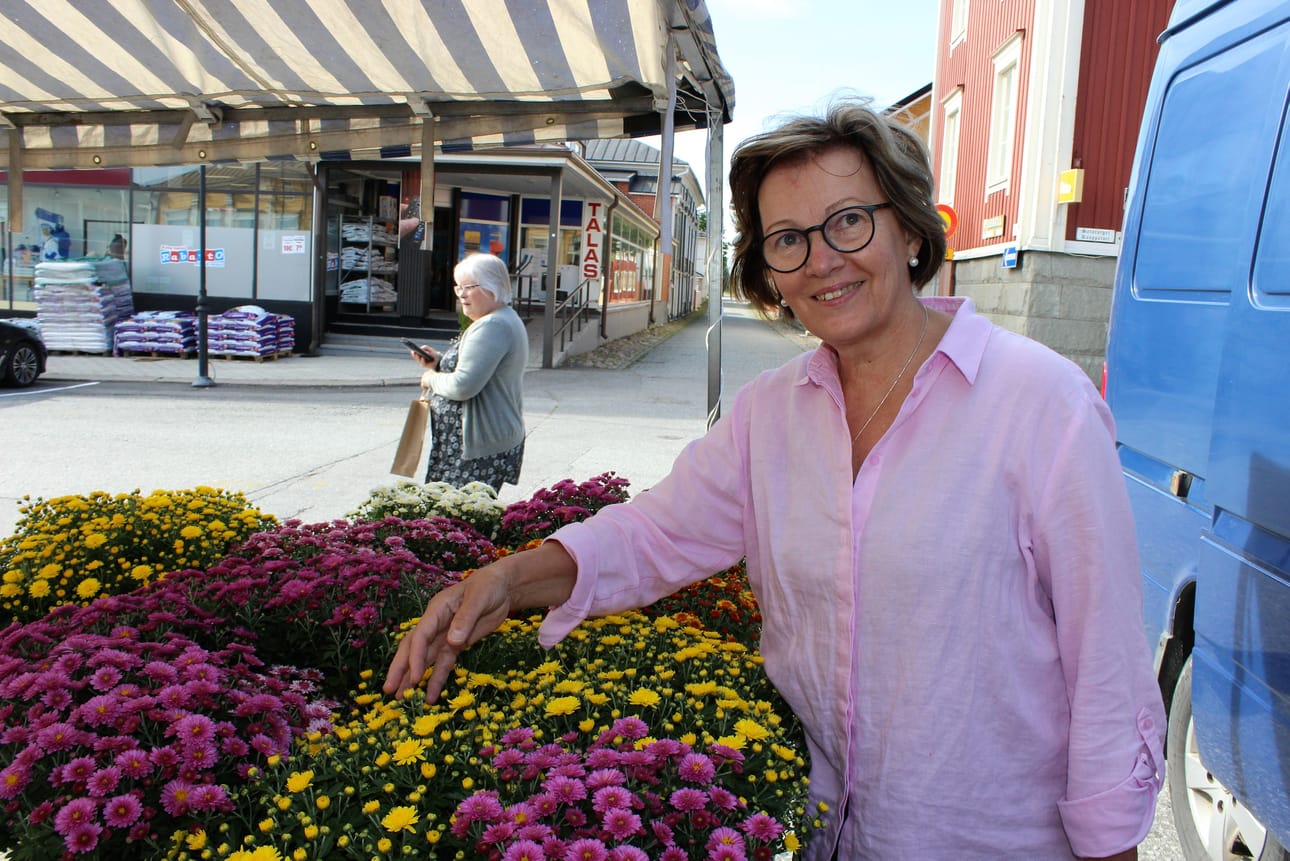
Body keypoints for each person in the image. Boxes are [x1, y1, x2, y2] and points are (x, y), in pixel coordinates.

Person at [384, 101, 1164, 861]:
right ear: (767, 270)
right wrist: (503, 580)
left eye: (849, 220)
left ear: (907, 226)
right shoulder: (771, 414)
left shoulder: (1041, 403)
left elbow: (1108, 670)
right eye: (788, 239)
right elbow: (652, 533)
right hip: (827, 833)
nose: (822, 258)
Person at [407, 252, 527, 491]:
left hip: (477, 447)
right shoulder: (499, 319)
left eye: (468, 287)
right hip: (478, 442)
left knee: (456, 519)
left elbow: (464, 386)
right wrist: (440, 363)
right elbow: (482, 372)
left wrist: (431, 378)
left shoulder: (493, 325)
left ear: (492, 287)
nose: (461, 294)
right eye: (457, 287)